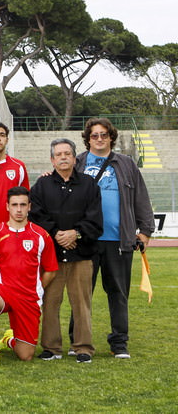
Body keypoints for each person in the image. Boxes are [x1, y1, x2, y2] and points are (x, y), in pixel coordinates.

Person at [75, 118, 154, 359]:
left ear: (111, 137)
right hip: (85, 239)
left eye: (103, 135)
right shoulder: (77, 162)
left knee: (118, 293)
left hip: (118, 240)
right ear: (88, 139)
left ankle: (119, 342)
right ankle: (77, 340)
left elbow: (141, 197)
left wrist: (146, 230)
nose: (99, 139)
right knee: (81, 294)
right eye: (94, 135)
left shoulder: (127, 164)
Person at [29, 138, 104, 364]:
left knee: (81, 304)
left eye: (67, 154)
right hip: (51, 257)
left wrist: (76, 234)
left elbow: (95, 220)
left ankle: (83, 347)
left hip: (81, 255)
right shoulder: (41, 186)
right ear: (52, 159)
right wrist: (58, 235)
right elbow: (37, 218)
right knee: (50, 303)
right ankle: (51, 348)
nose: (63, 157)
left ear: (74, 158)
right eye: (58, 154)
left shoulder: (89, 185)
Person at [0, 186, 58, 370]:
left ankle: (9, 339)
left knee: (26, 355)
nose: (19, 209)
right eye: (14, 205)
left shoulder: (41, 235)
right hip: (4, 290)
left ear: (30, 206)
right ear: (7, 206)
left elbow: (51, 270)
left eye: (23, 205)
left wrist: (37, 288)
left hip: (28, 296)